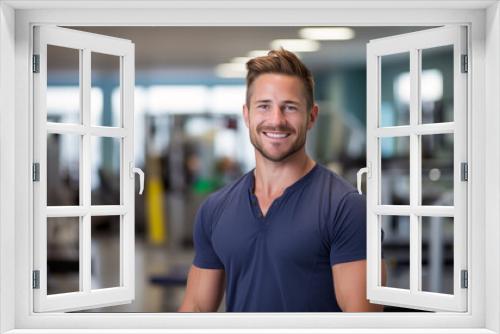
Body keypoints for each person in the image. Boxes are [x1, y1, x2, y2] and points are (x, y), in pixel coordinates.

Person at [179, 48, 386, 312]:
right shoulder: (214, 209)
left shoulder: (347, 209)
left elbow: (364, 324)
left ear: (311, 116)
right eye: (264, 106)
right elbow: (195, 308)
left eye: (290, 107)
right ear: (247, 115)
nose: (276, 120)